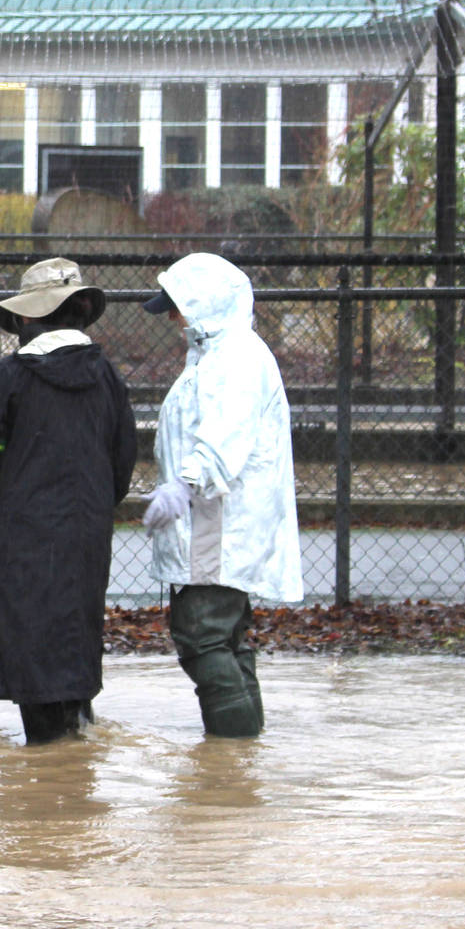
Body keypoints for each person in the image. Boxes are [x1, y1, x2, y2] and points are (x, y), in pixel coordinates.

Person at [0, 258, 138, 744]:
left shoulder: (11, 375)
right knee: (78, 626)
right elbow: (123, 461)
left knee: (29, 632)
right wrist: (95, 504)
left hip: (26, 533)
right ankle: (75, 753)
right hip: (88, 531)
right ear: (80, 312)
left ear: (27, 318)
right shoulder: (108, 378)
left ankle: (43, 768)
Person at [140, 252, 302, 738]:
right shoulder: (218, 354)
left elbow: (223, 437)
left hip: (216, 521)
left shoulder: (235, 358)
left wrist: (182, 486)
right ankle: (241, 757)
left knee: (203, 634)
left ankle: (229, 759)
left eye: (177, 306)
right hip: (213, 519)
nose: (171, 317)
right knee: (225, 637)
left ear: (205, 304)